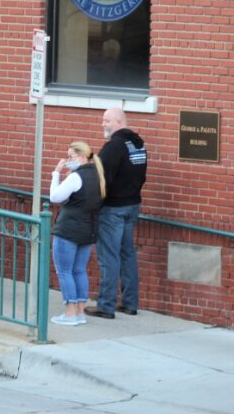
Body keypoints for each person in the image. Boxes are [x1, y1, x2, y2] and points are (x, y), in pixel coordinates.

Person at [85, 108, 147, 319]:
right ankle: (130, 303)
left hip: (113, 209)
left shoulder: (114, 146)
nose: (103, 124)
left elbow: (101, 178)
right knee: (127, 254)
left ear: (119, 121)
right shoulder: (138, 144)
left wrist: (93, 203)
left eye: (107, 120)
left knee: (109, 257)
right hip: (132, 205)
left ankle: (106, 305)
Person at [49, 141, 105, 326]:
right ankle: (80, 311)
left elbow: (55, 197)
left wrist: (56, 173)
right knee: (79, 270)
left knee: (64, 271)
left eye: (71, 157)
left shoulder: (76, 177)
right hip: (87, 230)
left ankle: (70, 313)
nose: (67, 161)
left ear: (81, 158)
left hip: (68, 230)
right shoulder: (97, 175)